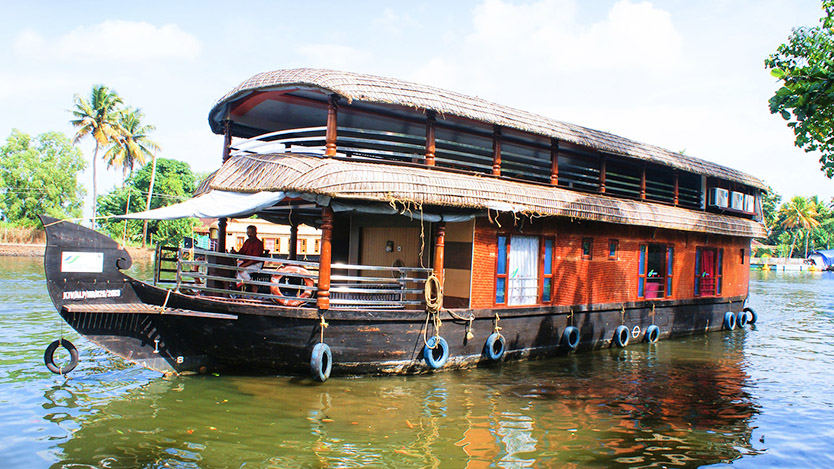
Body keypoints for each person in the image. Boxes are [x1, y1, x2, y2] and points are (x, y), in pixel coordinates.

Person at [232, 225, 264, 292]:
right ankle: (238, 287)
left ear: (255, 233)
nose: (249, 234)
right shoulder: (247, 242)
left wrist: (242, 266)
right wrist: (235, 253)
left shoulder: (258, 243)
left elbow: (254, 259)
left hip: (256, 264)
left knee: (242, 270)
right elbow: (241, 252)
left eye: (251, 232)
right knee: (234, 269)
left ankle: (252, 286)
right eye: (248, 232)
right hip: (247, 263)